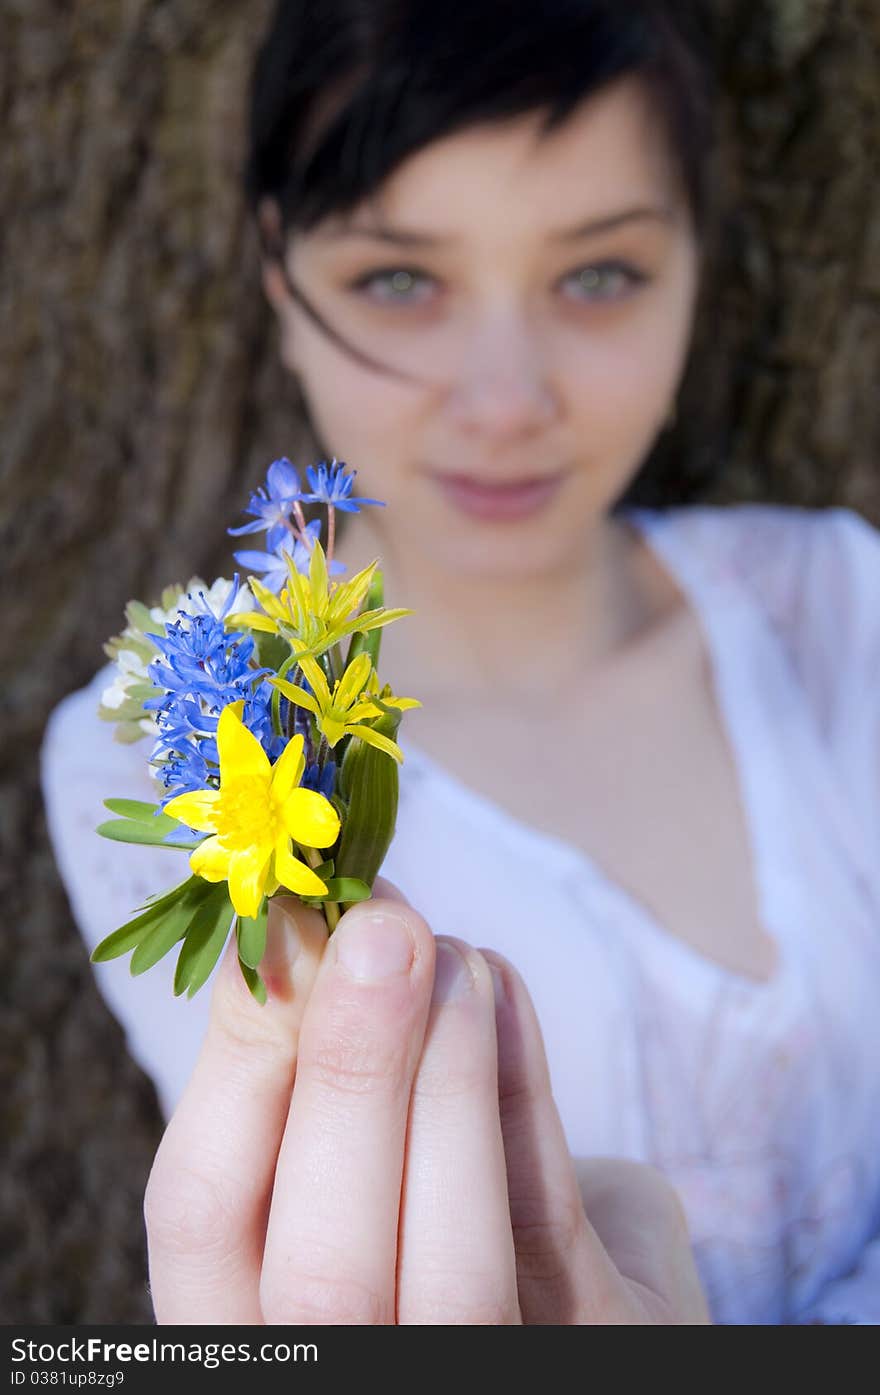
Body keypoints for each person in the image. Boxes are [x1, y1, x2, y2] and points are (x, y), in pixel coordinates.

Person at [40, 0, 880, 1324]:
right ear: (278, 269)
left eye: (597, 274)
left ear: (698, 265)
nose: (504, 401)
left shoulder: (838, 608)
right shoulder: (161, 753)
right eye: (399, 279)